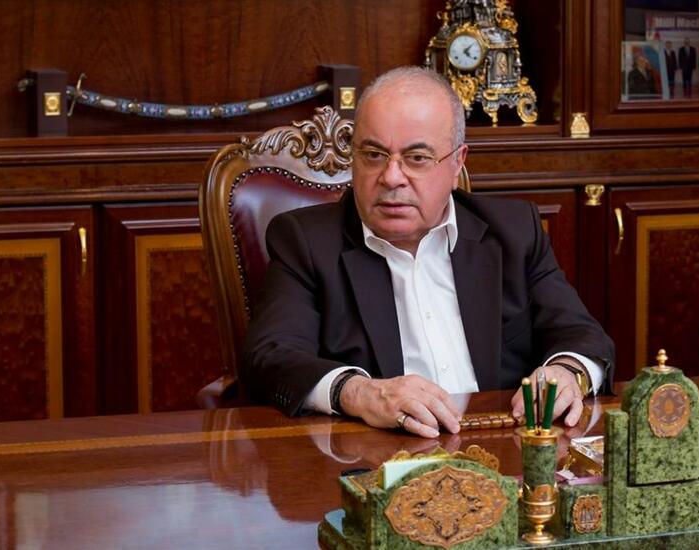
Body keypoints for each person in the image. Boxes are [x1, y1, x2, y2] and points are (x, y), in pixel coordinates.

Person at [243, 66, 614, 439]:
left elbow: (581, 335)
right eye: (373, 154)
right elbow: (272, 356)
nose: (391, 177)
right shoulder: (306, 242)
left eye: (417, 158)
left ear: (457, 163)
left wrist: (567, 372)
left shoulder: (514, 232)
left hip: (505, 443)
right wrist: (358, 392)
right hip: (378, 454)